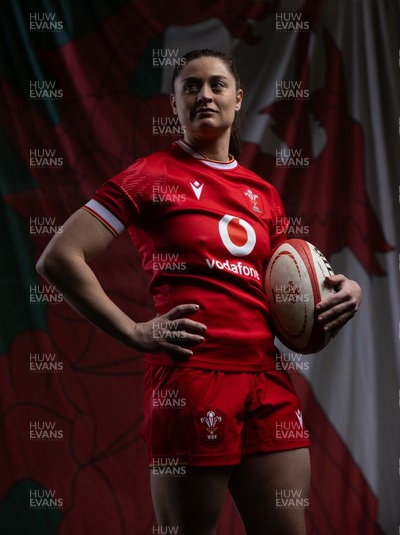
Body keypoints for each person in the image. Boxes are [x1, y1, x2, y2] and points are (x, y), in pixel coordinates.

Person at [37, 49, 362, 535]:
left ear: (238, 99)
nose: (203, 94)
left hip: (266, 376)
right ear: (174, 105)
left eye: (215, 84)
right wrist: (132, 330)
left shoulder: (263, 195)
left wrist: (344, 289)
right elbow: (59, 257)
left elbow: (287, 286)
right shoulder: (150, 175)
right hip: (192, 378)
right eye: (190, 86)